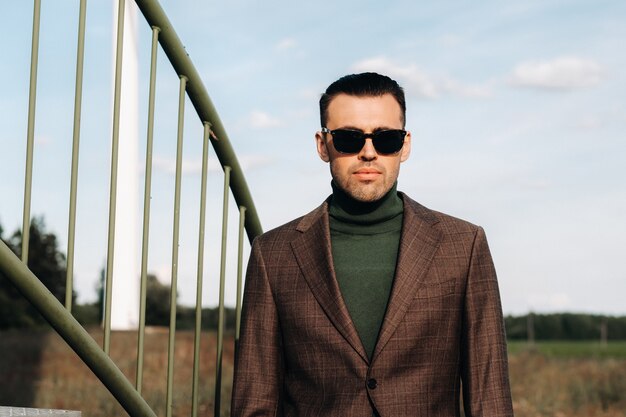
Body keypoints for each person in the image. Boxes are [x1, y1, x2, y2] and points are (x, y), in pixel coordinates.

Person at [231, 72, 514, 417]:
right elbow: (254, 402)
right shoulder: (272, 254)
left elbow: (490, 398)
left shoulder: (464, 245)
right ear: (323, 145)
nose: (368, 152)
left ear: (405, 145)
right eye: (349, 139)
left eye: (387, 139)